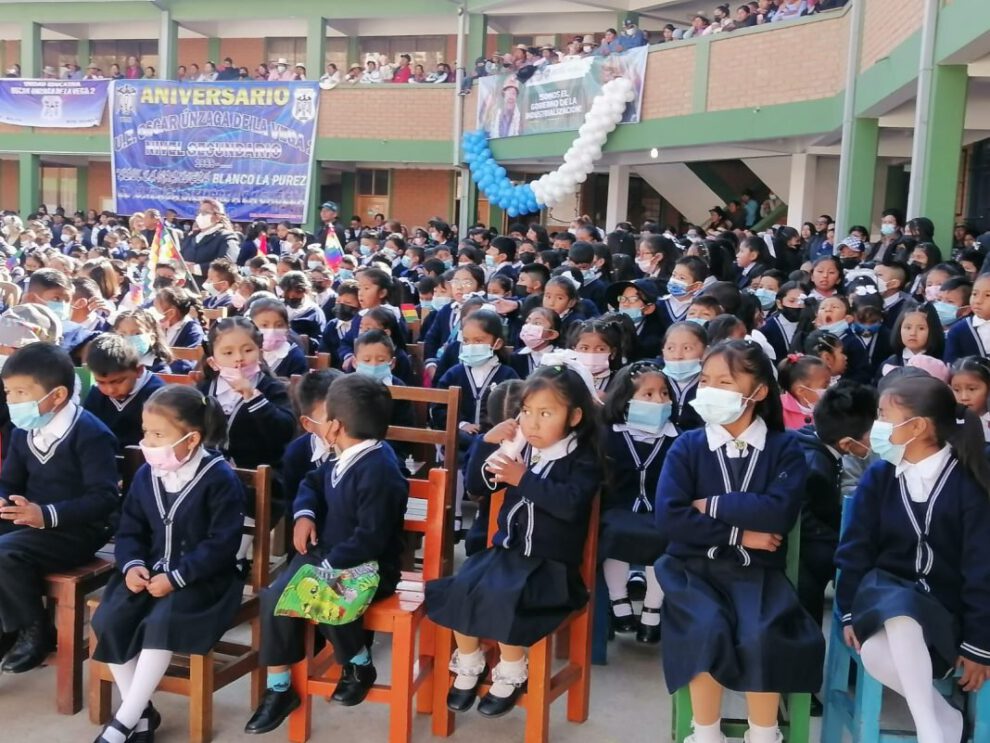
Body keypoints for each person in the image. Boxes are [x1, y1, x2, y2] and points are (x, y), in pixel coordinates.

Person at [655, 339, 825, 743]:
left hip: (758, 574)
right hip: (692, 570)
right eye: (706, 380)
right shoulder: (688, 446)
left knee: (762, 632)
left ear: (759, 391)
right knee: (705, 626)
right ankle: (706, 731)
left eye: (725, 381)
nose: (710, 390)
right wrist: (740, 533)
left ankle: (764, 733)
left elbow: (778, 511)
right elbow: (670, 517)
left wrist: (710, 504)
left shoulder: (785, 448)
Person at [426, 362, 601, 716]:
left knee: (506, 597)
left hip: (551, 568)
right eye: (526, 412)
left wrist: (523, 478)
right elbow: (477, 486)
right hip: (505, 555)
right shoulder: (521, 450)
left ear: (575, 416)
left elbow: (569, 505)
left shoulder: (582, 460)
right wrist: (485, 443)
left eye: (545, 413)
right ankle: (470, 662)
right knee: (462, 586)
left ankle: (511, 669)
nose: (532, 423)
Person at [245, 375, 409, 732]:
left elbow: (372, 537)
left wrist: (329, 566)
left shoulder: (381, 469)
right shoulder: (344, 455)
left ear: (334, 426)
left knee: (323, 597)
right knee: (274, 598)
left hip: (368, 566)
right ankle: (279, 689)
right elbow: (311, 482)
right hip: (327, 556)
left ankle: (358, 662)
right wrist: (304, 514)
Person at [835, 375, 990, 743]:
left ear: (917, 426)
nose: (876, 427)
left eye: (884, 416)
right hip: (882, 595)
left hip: (944, 612)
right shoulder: (880, 476)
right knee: (899, 607)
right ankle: (932, 730)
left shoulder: (969, 482)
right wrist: (848, 610)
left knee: (878, 649)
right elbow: (855, 550)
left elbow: (983, 567)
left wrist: (979, 643)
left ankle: (944, 723)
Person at [90, 386, 244, 743]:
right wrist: (130, 566)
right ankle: (142, 714)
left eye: (158, 434)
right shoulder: (145, 475)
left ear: (191, 439)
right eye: (146, 432)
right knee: (109, 617)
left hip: (204, 580)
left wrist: (176, 578)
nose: (148, 441)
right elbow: (130, 528)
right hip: (147, 574)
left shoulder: (220, 478)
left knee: (163, 622)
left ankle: (123, 722)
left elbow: (222, 544)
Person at [0, 343, 120, 674]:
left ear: (56, 396)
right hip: (32, 522)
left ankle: (34, 631)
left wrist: (46, 514)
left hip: (78, 530)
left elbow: (105, 498)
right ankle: (8, 626)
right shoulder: (23, 431)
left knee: (5, 554)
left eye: (21, 392)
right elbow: (9, 481)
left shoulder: (90, 433)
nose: (12, 401)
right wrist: (4, 498)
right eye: (8, 391)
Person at [601, 361, 677, 643]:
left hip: (660, 513)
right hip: (618, 511)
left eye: (665, 393)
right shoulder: (608, 435)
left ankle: (651, 610)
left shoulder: (677, 438)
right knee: (611, 535)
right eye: (648, 394)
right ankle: (618, 602)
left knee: (667, 538)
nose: (659, 400)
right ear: (625, 399)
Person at [199, 318, 296, 524]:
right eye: (228, 353)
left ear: (260, 352)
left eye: (247, 350)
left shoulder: (272, 389)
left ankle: (235, 554)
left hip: (258, 482)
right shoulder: (203, 391)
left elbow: (283, 432)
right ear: (212, 361)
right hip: (208, 477)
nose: (239, 359)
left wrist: (253, 397)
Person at [84, 333, 166, 448]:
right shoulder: (96, 395)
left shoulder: (158, 395)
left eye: (118, 381)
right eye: (101, 382)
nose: (110, 390)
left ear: (138, 370)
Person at [661, 321, 708, 431]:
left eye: (687, 348)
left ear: (705, 351)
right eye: (670, 348)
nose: (677, 356)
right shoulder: (654, 379)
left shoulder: (712, 384)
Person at [248, 297, 309, 378]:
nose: (272, 331)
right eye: (264, 325)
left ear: (287, 327)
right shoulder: (243, 352)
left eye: (279, 325)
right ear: (251, 326)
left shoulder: (295, 358)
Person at [180, 199, 240, 278]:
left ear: (217, 217)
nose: (200, 215)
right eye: (199, 212)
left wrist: (196, 268)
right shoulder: (191, 236)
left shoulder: (227, 237)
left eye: (205, 212)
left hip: (209, 287)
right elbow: (180, 256)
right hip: (185, 285)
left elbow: (227, 264)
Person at [777, 353, 831, 430]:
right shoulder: (778, 411)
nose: (830, 388)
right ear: (801, 391)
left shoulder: (834, 405)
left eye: (830, 383)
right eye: (825, 386)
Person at [945, 273, 990, 363]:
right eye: (975, 294)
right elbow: (950, 366)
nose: (978, 300)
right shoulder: (958, 331)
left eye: (987, 295)